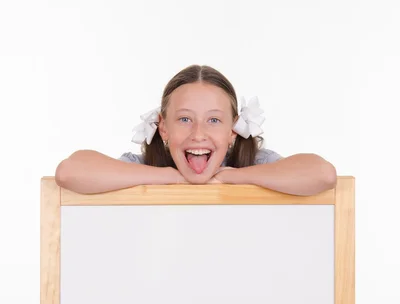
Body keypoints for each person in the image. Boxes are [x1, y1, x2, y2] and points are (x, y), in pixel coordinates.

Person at [55, 64, 337, 195]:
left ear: (233, 130)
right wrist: (167, 177)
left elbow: (322, 174)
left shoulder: (256, 166)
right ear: (163, 128)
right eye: (185, 119)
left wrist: (234, 178)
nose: (198, 134)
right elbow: (70, 172)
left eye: (214, 120)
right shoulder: (145, 168)